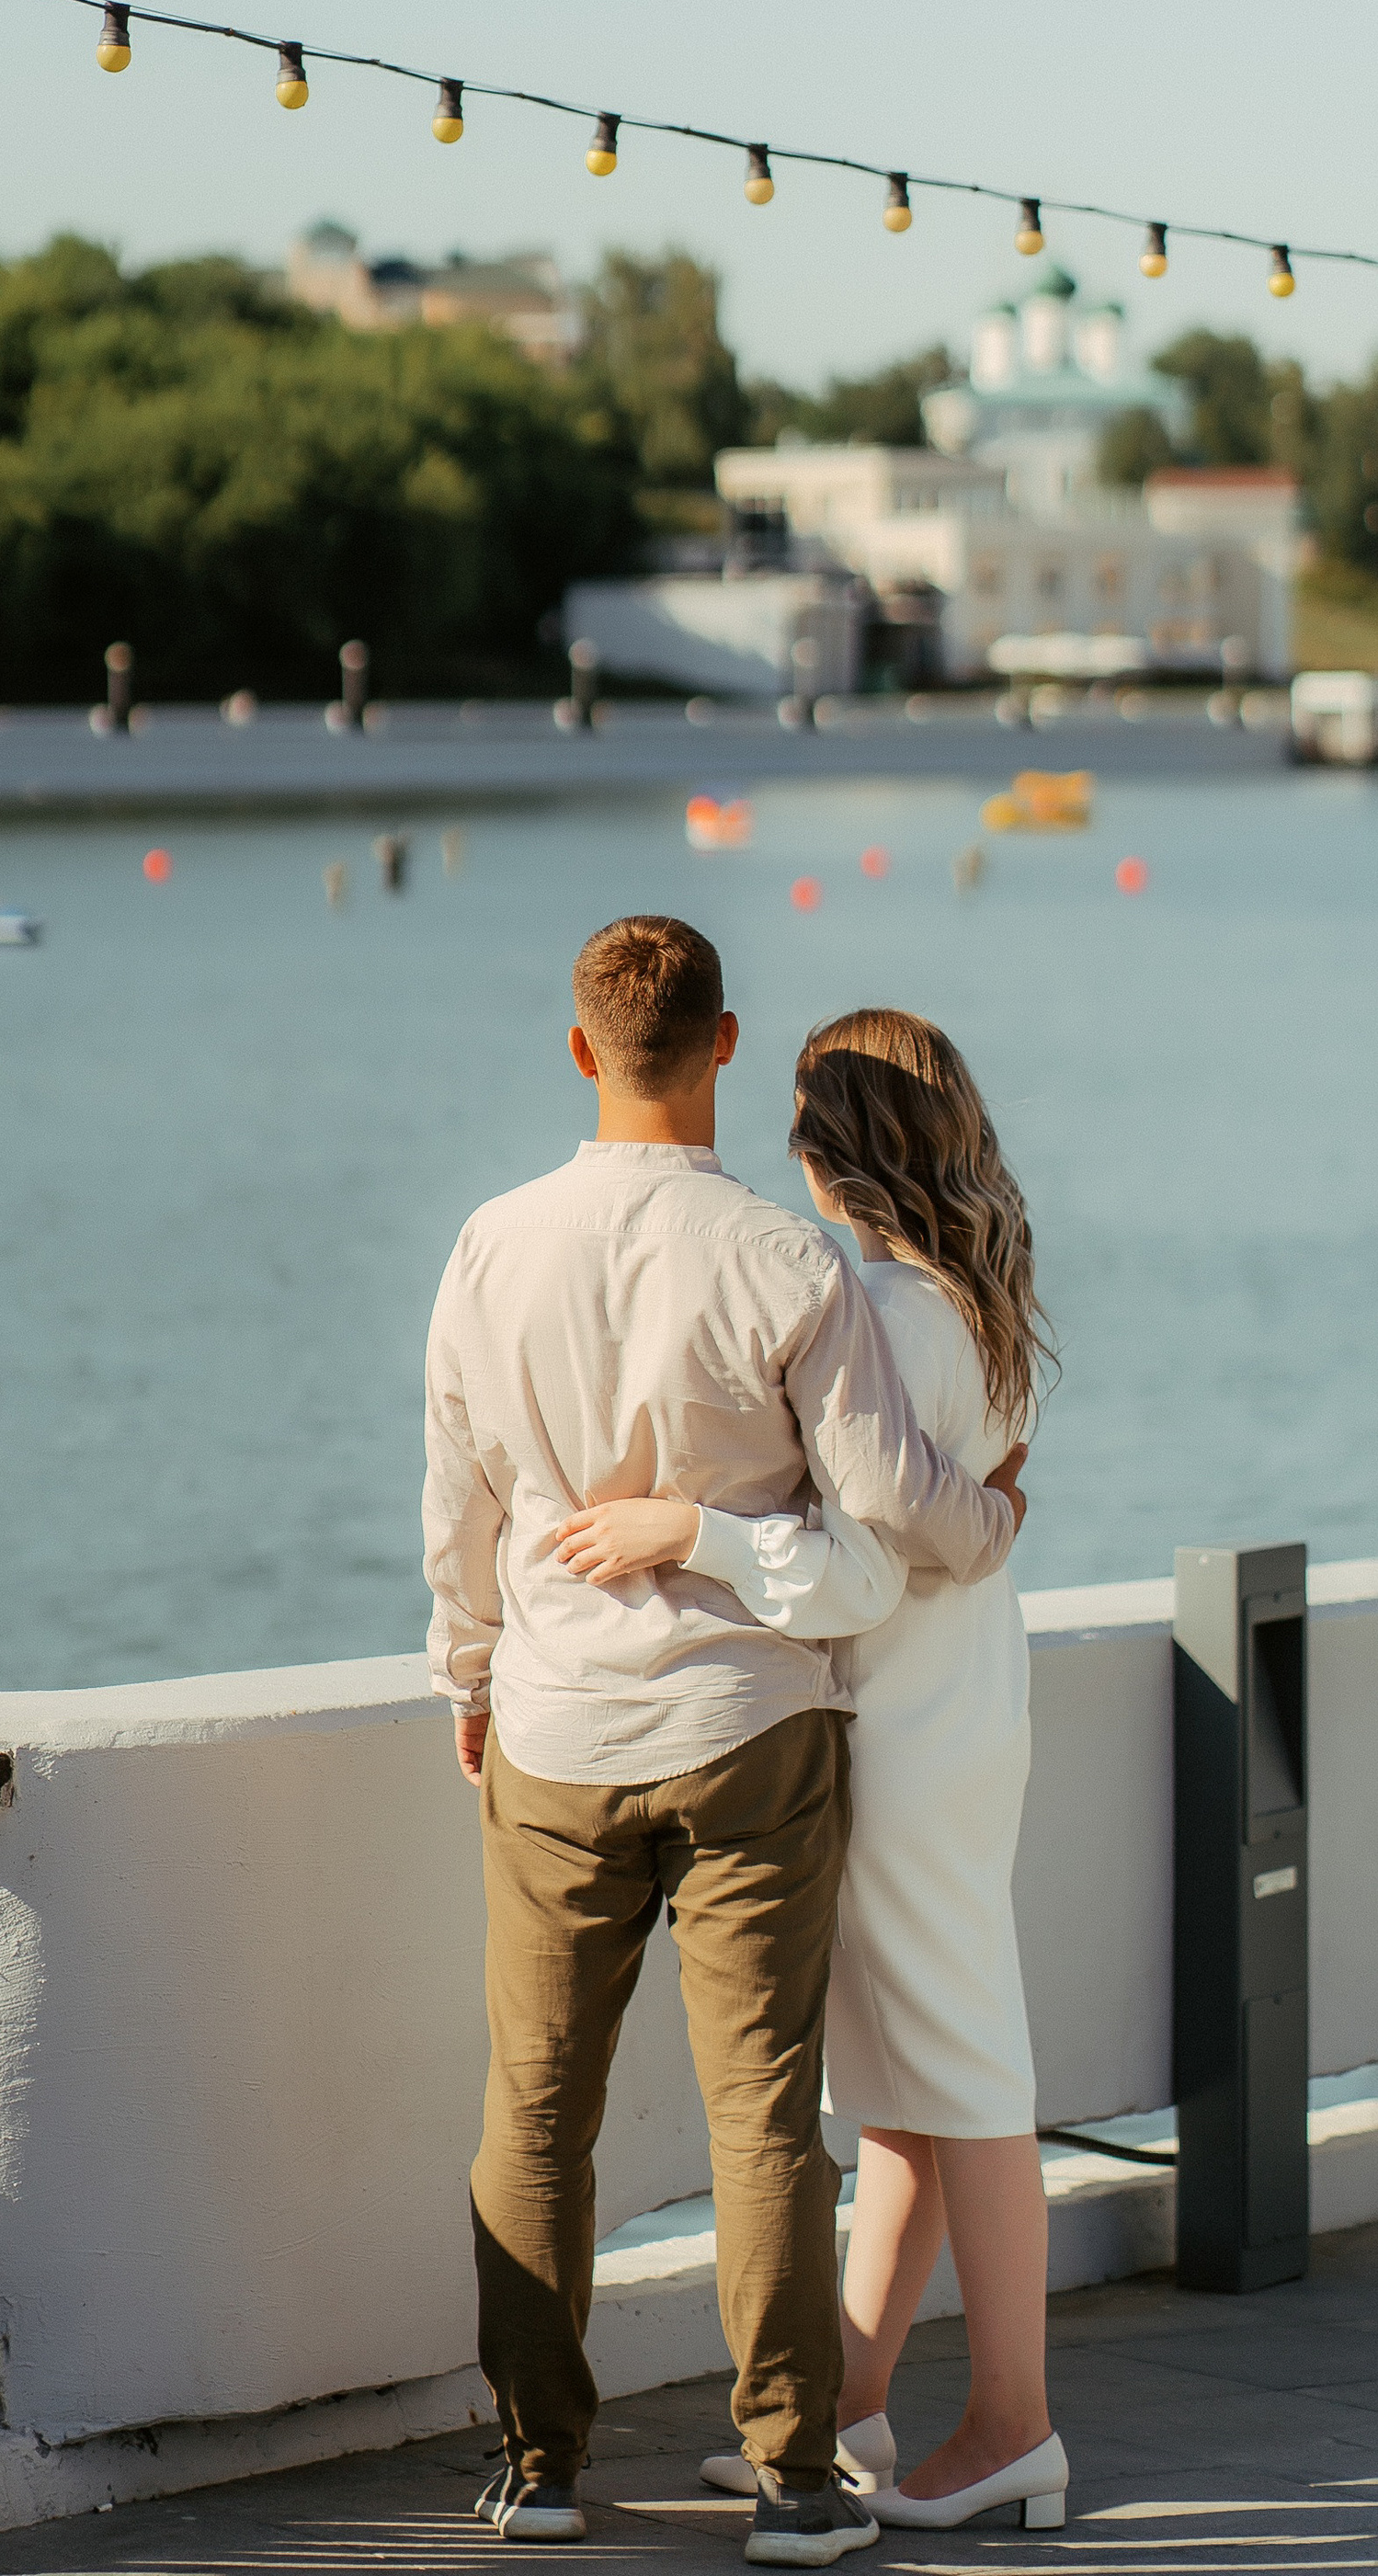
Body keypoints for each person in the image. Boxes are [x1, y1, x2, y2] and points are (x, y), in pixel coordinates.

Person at [424, 918, 1021, 2570]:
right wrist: (993, 1520)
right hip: (753, 1723)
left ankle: (542, 2466)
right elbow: (896, 1511)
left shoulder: (490, 1245)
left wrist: (468, 1673)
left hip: (555, 1725)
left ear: (579, 1048)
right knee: (766, 2114)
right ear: (726, 1043)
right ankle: (799, 2477)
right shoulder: (787, 1260)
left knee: (538, 2107)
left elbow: (459, 1497)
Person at [565, 1009, 1065, 2536]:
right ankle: (848, 2406)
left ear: (829, 1147)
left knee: (961, 2076)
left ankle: (1011, 2428)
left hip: (902, 1732)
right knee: (913, 2083)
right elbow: (949, 1526)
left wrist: (685, 1533)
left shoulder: (883, 1316)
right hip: (961, 1709)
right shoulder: (970, 1306)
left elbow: (850, 1561)